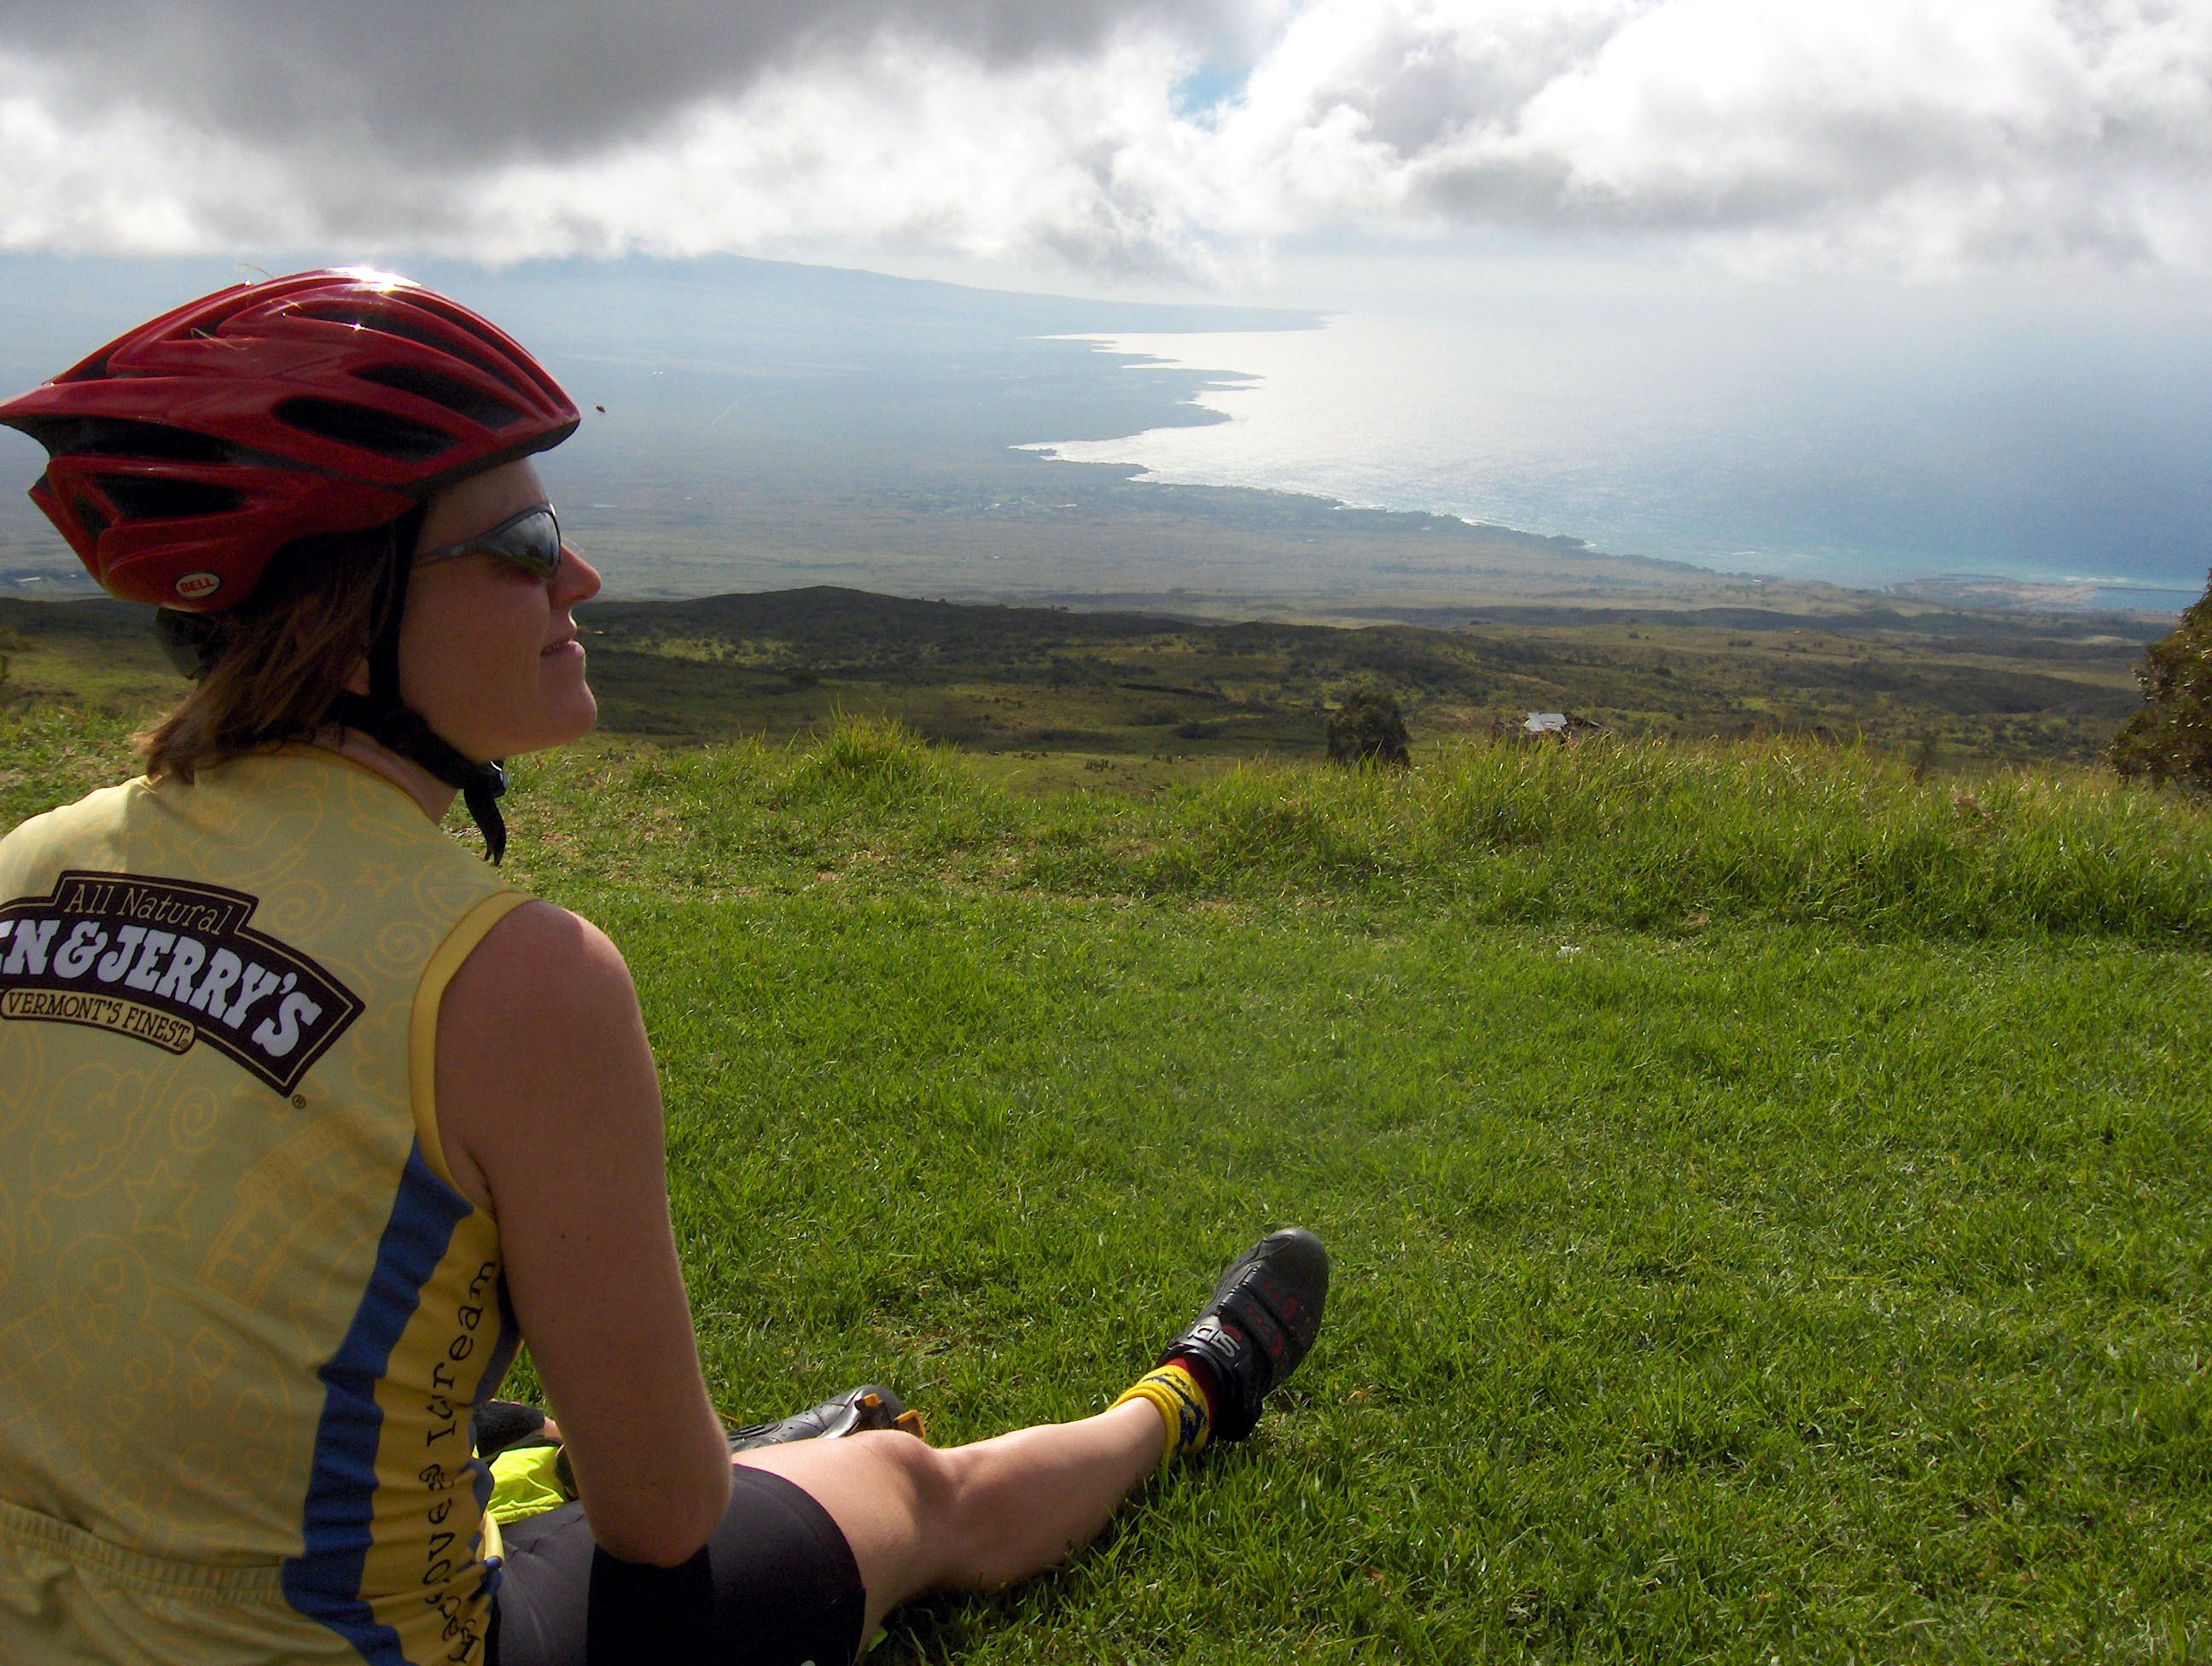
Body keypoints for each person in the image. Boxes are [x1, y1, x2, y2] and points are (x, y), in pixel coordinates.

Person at [0, 269, 1329, 1666]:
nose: (576, 576)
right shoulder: (517, 979)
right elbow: (664, 1519)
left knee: (493, 1430)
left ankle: (560, 1468)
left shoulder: (29, 866)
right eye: (522, 544)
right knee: (905, 1487)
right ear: (346, 608)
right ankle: (1193, 1393)